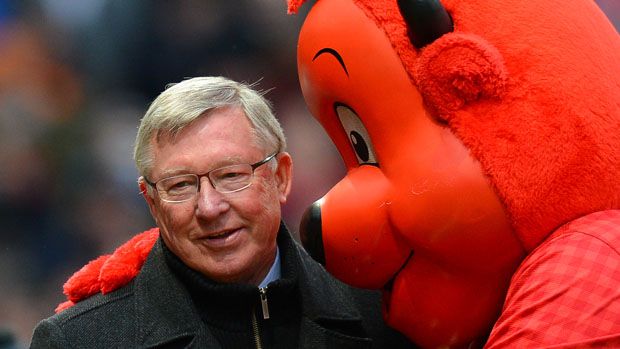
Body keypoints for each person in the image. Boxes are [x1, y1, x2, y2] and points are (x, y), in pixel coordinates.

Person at [30, 76, 411, 348]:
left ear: (280, 178)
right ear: (152, 202)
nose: (209, 207)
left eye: (231, 176)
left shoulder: (386, 309)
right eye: (180, 185)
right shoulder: (79, 341)